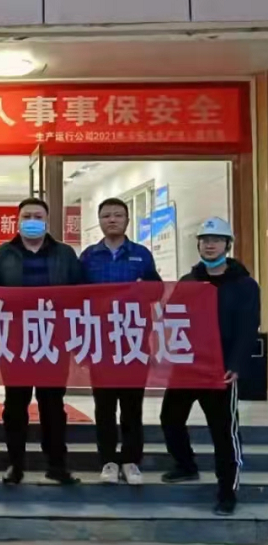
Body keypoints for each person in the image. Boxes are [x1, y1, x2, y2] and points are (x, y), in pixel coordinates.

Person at [161, 217, 259, 516]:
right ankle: (185, 464)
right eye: (204, 240)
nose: (210, 245)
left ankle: (227, 491)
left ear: (227, 245)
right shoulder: (188, 281)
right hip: (188, 366)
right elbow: (172, 318)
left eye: (216, 240)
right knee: (170, 418)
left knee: (223, 432)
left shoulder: (244, 285)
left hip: (221, 370)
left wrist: (236, 364)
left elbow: (248, 328)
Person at [0, 197, 84, 486]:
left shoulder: (64, 253)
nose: (32, 221)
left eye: (37, 216)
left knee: (52, 405)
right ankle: (15, 464)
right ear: (18, 220)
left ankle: (57, 465)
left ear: (46, 220)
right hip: (15, 340)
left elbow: (81, 292)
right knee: (15, 405)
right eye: (26, 216)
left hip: (53, 340)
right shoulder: (3, 253)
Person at [80, 198, 161, 486]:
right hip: (101, 342)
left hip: (133, 342)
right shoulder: (88, 257)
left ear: (127, 220)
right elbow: (77, 297)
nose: (112, 220)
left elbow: (157, 291)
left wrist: (142, 290)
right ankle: (108, 461)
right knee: (104, 407)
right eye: (106, 216)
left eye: (117, 215)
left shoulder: (141, 255)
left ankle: (131, 461)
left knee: (131, 407)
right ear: (99, 221)